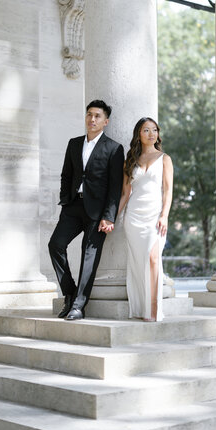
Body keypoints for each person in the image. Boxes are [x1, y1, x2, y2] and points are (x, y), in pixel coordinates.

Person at [49, 100, 124, 321]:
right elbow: (66, 174)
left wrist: (109, 216)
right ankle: (70, 293)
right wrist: (65, 199)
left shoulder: (114, 148)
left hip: (98, 212)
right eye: (89, 115)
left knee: (88, 257)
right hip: (73, 207)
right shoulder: (73, 144)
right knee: (55, 245)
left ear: (105, 121)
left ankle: (79, 306)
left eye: (97, 116)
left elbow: (115, 186)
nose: (92, 119)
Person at [118, 117, 173, 322]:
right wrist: (112, 218)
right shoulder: (130, 159)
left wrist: (164, 216)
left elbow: (168, 191)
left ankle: (154, 310)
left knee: (153, 259)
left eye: (154, 130)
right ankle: (141, 309)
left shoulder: (165, 159)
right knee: (138, 263)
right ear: (138, 135)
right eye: (146, 130)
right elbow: (125, 193)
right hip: (133, 217)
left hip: (154, 216)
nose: (151, 134)